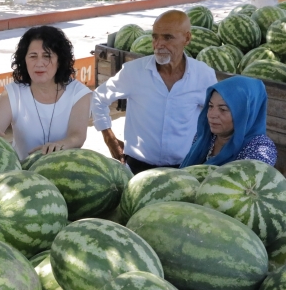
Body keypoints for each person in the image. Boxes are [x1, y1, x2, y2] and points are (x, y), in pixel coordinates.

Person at [91, 10, 218, 174]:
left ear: (187, 38)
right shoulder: (134, 71)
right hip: (137, 168)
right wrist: (109, 138)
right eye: (155, 37)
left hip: (185, 169)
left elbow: (215, 116)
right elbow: (99, 97)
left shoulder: (203, 75)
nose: (158, 44)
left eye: (167, 37)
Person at [0, 25, 92, 161]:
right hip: (23, 175)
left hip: (63, 171)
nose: (39, 63)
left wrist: (59, 146)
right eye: (33, 56)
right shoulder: (14, 93)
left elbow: (77, 136)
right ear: (24, 60)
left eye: (47, 56)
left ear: (60, 60)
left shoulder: (78, 93)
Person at [180, 76, 277, 167]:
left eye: (223, 109)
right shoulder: (204, 136)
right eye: (210, 106)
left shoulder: (260, 148)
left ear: (244, 114)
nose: (211, 115)